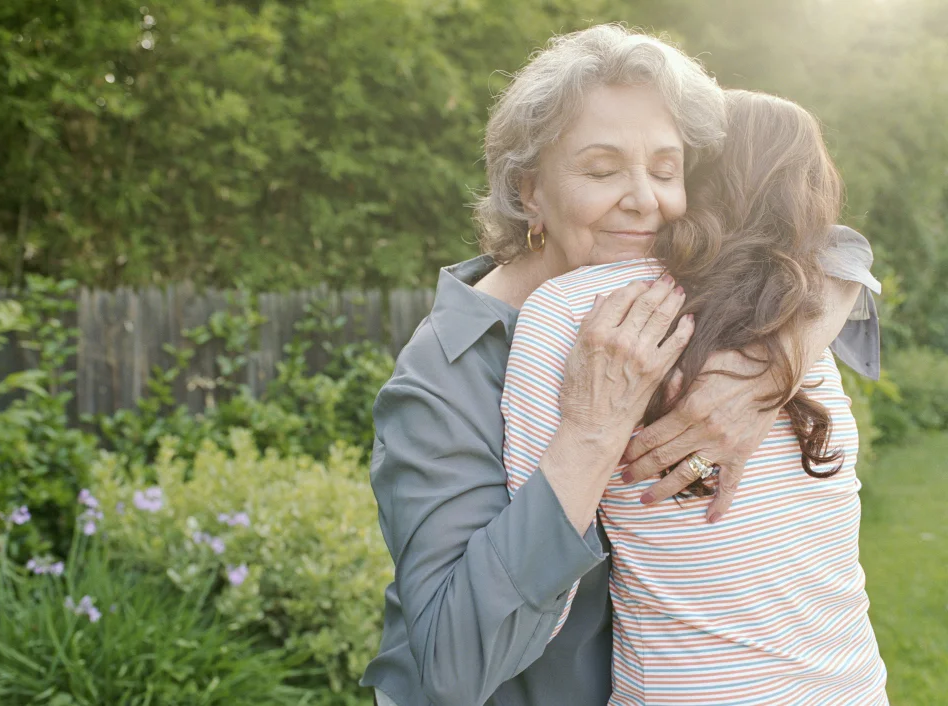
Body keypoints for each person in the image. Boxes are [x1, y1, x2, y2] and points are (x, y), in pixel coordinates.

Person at [361, 25, 881, 706]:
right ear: (530, 193)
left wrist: (767, 372)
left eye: (667, 170)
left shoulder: (669, 287)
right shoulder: (445, 374)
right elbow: (448, 671)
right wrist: (590, 435)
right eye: (602, 170)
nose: (646, 200)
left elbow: (834, 251)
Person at [503, 89, 887, 705]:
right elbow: (843, 249)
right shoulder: (805, 322)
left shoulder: (574, 311)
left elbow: (529, 565)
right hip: (853, 685)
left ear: (693, 173)